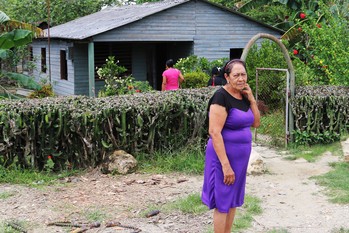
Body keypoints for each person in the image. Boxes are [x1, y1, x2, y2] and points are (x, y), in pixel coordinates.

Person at [201, 59, 260, 233]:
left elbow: (256, 123)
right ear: (227, 77)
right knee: (223, 201)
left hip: (240, 160)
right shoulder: (221, 96)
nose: (241, 78)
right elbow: (214, 132)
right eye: (236, 75)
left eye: (243, 74)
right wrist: (226, 166)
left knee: (233, 199)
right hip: (223, 158)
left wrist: (252, 99)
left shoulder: (243, 95)